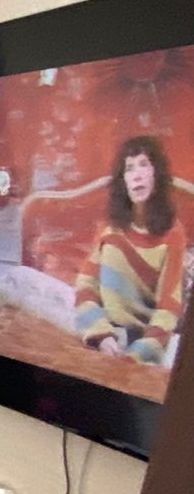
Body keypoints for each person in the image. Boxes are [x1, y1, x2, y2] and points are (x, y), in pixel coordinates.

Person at [74, 135, 186, 363]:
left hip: (140, 337)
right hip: (100, 328)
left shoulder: (173, 233)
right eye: (129, 168)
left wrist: (136, 355)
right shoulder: (110, 226)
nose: (136, 175)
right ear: (123, 181)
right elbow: (86, 284)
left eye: (144, 165)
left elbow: (168, 308)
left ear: (157, 174)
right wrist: (102, 335)